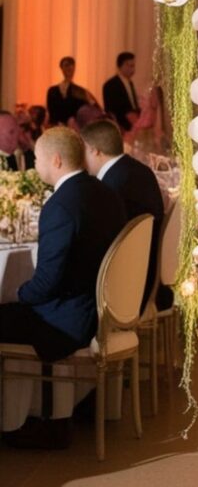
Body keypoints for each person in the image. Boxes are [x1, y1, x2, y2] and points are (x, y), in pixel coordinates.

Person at [0, 127, 125, 444]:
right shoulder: (105, 193)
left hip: (65, 322)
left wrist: (16, 293)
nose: (34, 164)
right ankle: (34, 414)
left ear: (55, 160)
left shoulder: (61, 204)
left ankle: (29, 423)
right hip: (96, 309)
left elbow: (46, 283)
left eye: (37, 158)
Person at [82, 119, 166, 309]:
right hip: (150, 272)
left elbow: (104, 240)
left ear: (94, 150)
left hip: (130, 284)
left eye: (83, 151)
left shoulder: (112, 185)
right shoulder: (137, 170)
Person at [45, 57, 95, 127]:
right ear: (61, 68)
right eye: (66, 65)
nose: (69, 68)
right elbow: (50, 112)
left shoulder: (80, 91)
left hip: (73, 129)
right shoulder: (52, 91)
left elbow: (89, 109)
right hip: (56, 128)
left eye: (71, 66)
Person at [102, 52, 141, 132]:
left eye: (133, 66)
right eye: (130, 66)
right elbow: (111, 110)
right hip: (120, 128)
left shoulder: (130, 83)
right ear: (121, 65)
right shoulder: (110, 85)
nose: (133, 69)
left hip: (133, 127)